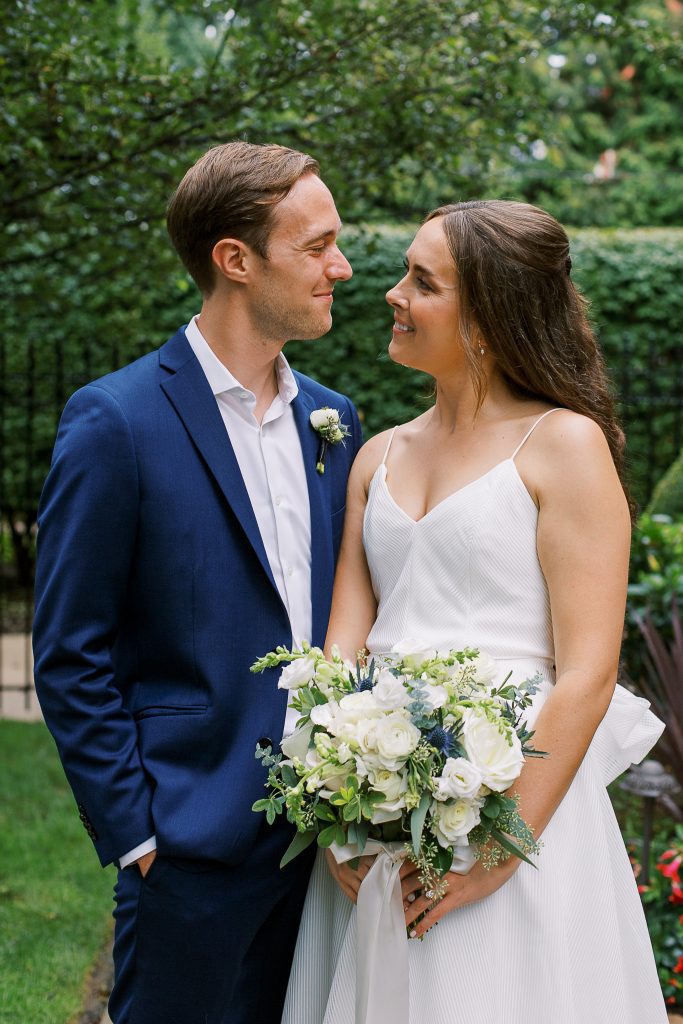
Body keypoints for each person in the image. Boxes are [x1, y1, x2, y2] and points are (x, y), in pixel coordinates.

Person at [282, 200, 667, 1023]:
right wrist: (334, 822)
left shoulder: (563, 445)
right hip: (372, 810)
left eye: (421, 281)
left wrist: (496, 851)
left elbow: (589, 670)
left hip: (516, 798)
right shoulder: (376, 455)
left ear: (487, 316)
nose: (391, 293)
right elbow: (338, 657)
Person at [32, 141, 361, 1024]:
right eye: (317, 245)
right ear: (236, 260)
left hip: (328, 845)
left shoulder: (334, 420)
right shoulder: (117, 420)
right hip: (189, 844)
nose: (343, 265)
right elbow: (69, 650)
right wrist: (138, 832)